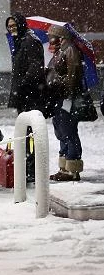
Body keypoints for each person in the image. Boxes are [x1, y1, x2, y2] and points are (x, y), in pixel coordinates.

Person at [5, 13, 45, 182]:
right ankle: (30, 167)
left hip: (30, 96)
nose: (12, 28)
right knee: (27, 133)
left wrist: (22, 84)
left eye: (14, 25)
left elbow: (34, 68)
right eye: (9, 26)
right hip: (25, 95)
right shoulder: (21, 41)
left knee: (31, 133)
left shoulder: (29, 41)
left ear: (21, 24)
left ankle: (32, 169)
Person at [46, 25, 84, 181]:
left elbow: (72, 75)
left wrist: (65, 92)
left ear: (59, 36)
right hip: (59, 98)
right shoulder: (60, 50)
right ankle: (64, 167)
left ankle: (72, 168)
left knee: (68, 131)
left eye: (51, 36)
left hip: (66, 98)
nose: (49, 39)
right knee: (61, 131)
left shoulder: (70, 49)